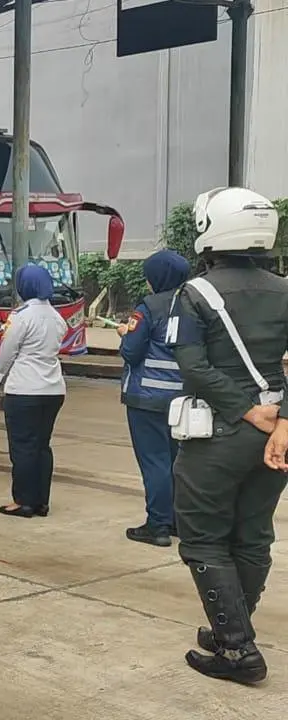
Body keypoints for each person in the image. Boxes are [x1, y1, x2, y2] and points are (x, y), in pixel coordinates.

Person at [166, 186, 288, 685]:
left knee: (203, 539)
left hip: (219, 436)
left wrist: (243, 409)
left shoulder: (195, 294)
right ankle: (230, 629)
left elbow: (191, 367)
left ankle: (237, 649)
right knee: (253, 534)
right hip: (277, 438)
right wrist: (280, 420)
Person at [117, 249, 189, 546]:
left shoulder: (148, 307)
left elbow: (132, 352)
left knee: (154, 461)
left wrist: (125, 334)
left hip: (146, 398)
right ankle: (175, 520)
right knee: (176, 461)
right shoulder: (194, 305)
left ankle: (157, 525)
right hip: (182, 399)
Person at [0, 264, 68, 519]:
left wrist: (0, 376)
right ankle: (41, 501)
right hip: (54, 389)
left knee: (22, 446)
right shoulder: (57, 317)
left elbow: (8, 351)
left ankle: (23, 501)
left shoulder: (21, 316)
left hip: (24, 389)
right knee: (41, 445)